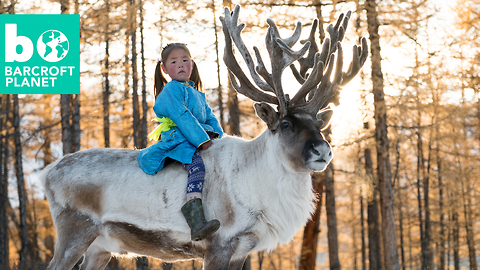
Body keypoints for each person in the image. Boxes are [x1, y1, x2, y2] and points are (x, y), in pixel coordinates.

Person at [138, 43, 223, 241]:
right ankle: (196, 219)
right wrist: (201, 140)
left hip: (194, 137)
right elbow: (181, 115)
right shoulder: (170, 91)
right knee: (197, 167)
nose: (181, 65)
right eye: (174, 62)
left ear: (192, 64)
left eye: (185, 60)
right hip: (179, 141)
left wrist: (219, 138)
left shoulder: (196, 92)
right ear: (165, 69)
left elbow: (210, 118)